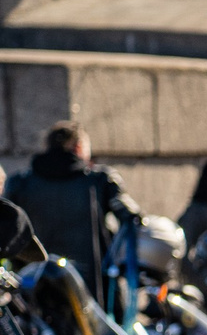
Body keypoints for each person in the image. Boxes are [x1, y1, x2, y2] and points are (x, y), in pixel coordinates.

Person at [4, 121, 136, 300]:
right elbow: (131, 218)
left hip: (33, 291)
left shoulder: (20, 183)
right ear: (79, 147)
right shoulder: (99, 180)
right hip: (92, 292)